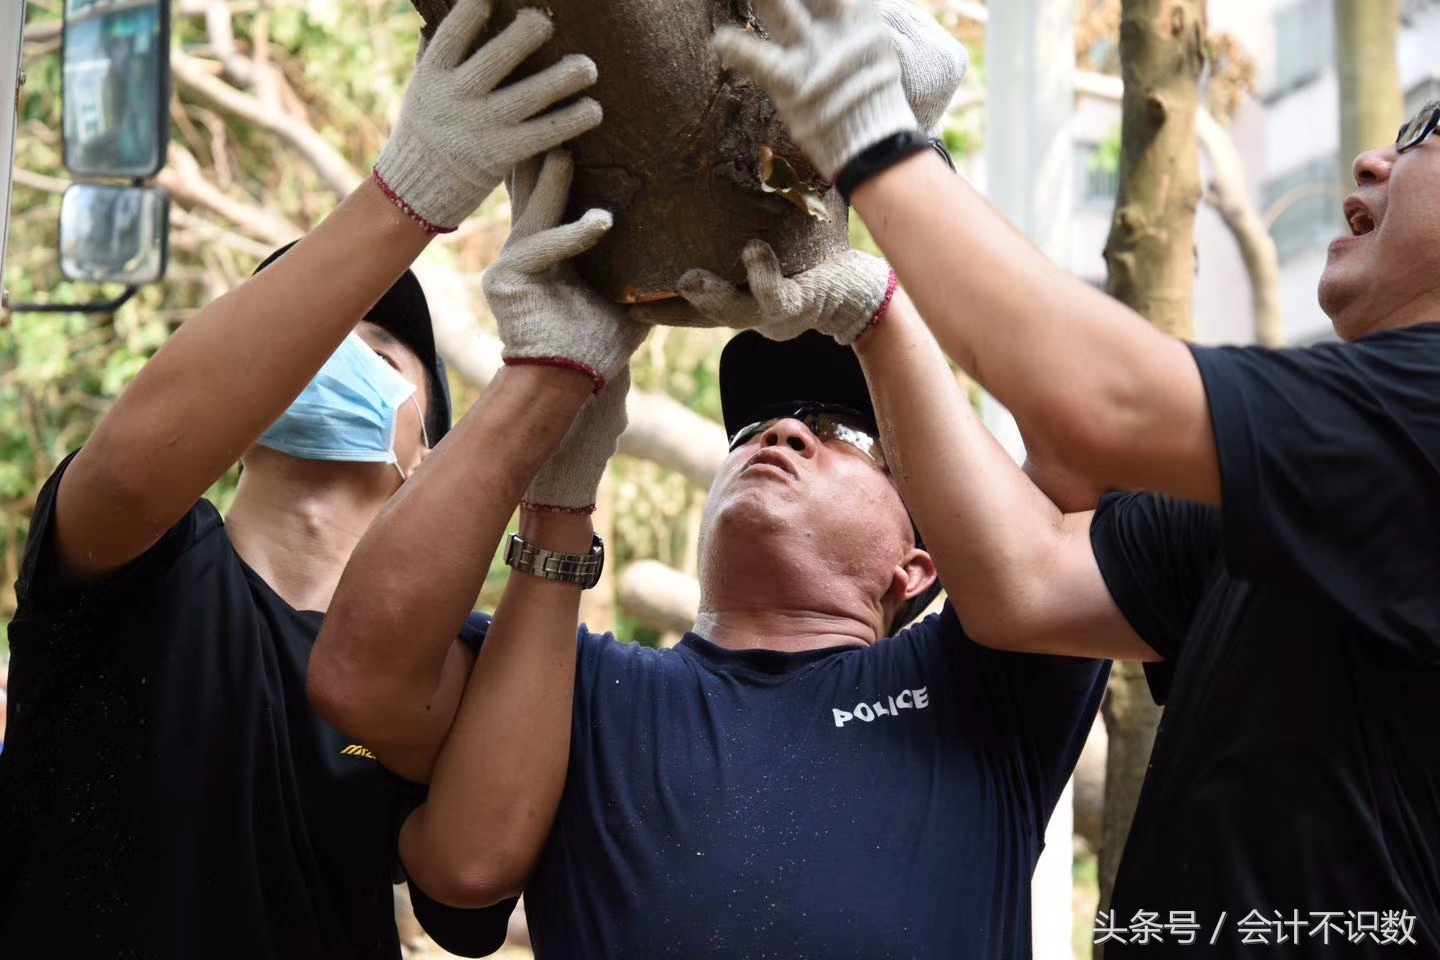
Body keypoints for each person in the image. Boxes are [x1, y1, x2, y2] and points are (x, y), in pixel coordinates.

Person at [708, 1, 1440, 954]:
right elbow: (1027, 577)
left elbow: (1089, 401)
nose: (1376, 160)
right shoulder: (1307, 486)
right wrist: (881, 302)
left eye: (1428, 134)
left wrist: (876, 135)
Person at [309, 133, 1108, 955]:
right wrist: (542, 387)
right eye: (757, 426)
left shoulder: (981, 686)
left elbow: (1090, 438)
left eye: (843, 437)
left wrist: (892, 166)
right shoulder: (572, 690)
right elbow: (360, 685)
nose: (786, 433)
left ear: (917, 568)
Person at [0, 1, 599, 955]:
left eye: (378, 349)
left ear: (427, 461)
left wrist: (562, 439)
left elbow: (472, 873)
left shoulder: (442, 671)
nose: (333, 354)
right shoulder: (143, 566)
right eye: (314, 343)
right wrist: (414, 186)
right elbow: (124, 473)